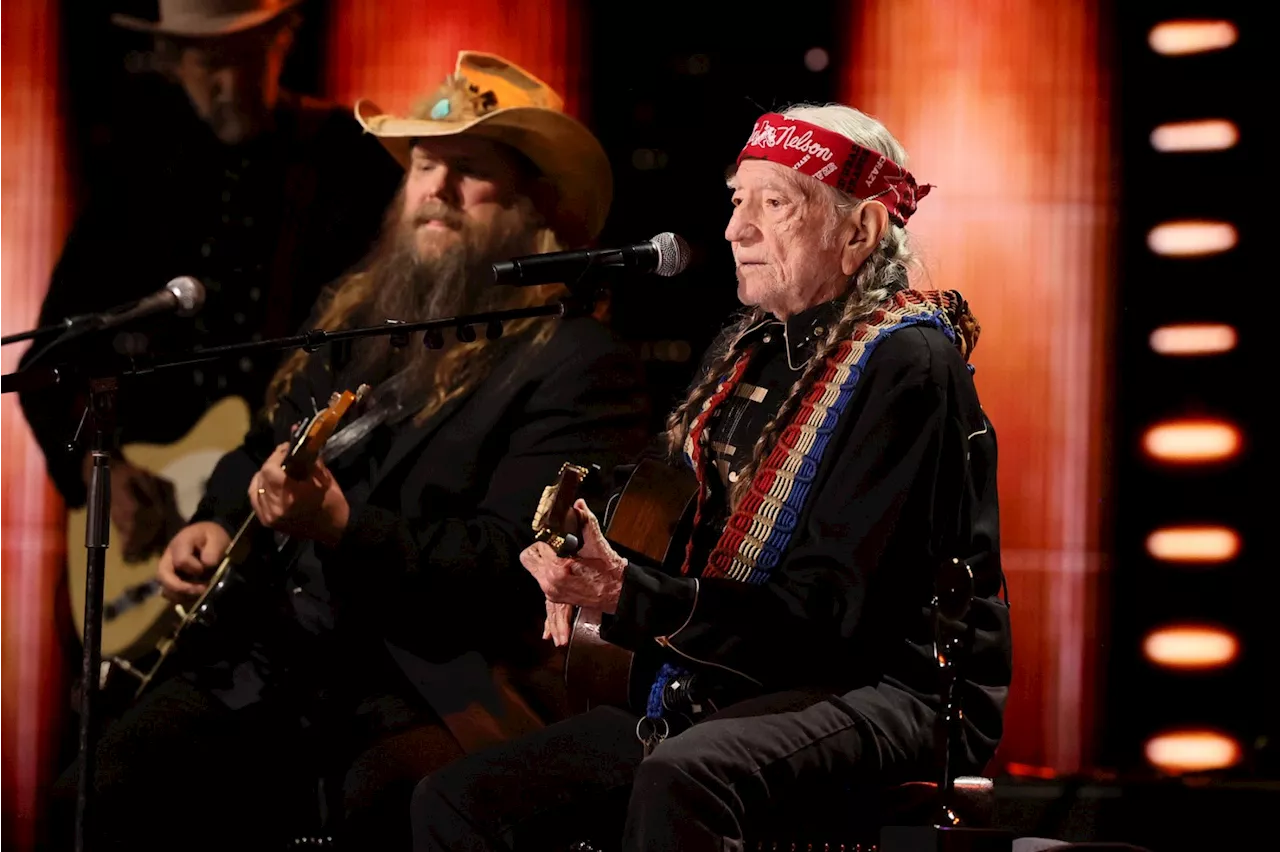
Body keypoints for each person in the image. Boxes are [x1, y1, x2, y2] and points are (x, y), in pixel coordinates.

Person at [45, 51, 650, 852]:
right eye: (423, 166)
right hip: (269, 668)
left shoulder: (579, 364)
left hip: (423, 685)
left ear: (533, 206)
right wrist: (220, 522)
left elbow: (518, 573)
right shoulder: (364, 321)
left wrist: (343, 527)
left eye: (467, 171)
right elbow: (265, 443)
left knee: (362, 801)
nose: (434, 189)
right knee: (95, 787)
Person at [409, 104, 1012, 851]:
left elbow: (832, 617)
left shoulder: (909, 364)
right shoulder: (754, 355)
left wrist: (627, 591)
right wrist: (583, 555)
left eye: (775, 202)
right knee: (459, 799)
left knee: (687, 774)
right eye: (737, 200)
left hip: (895, 688)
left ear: (859, 231)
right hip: (747, 680)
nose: (737, 229)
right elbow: (680, 536)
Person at [19, 0, 401, 562]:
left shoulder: (349, 160)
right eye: (205, 60)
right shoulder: (138, 173)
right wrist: (98, 467)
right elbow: (48, 359)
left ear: (282, 40)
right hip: (154, 530)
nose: (228, 81)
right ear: (172, 60)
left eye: (243, 56)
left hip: (295, 521)